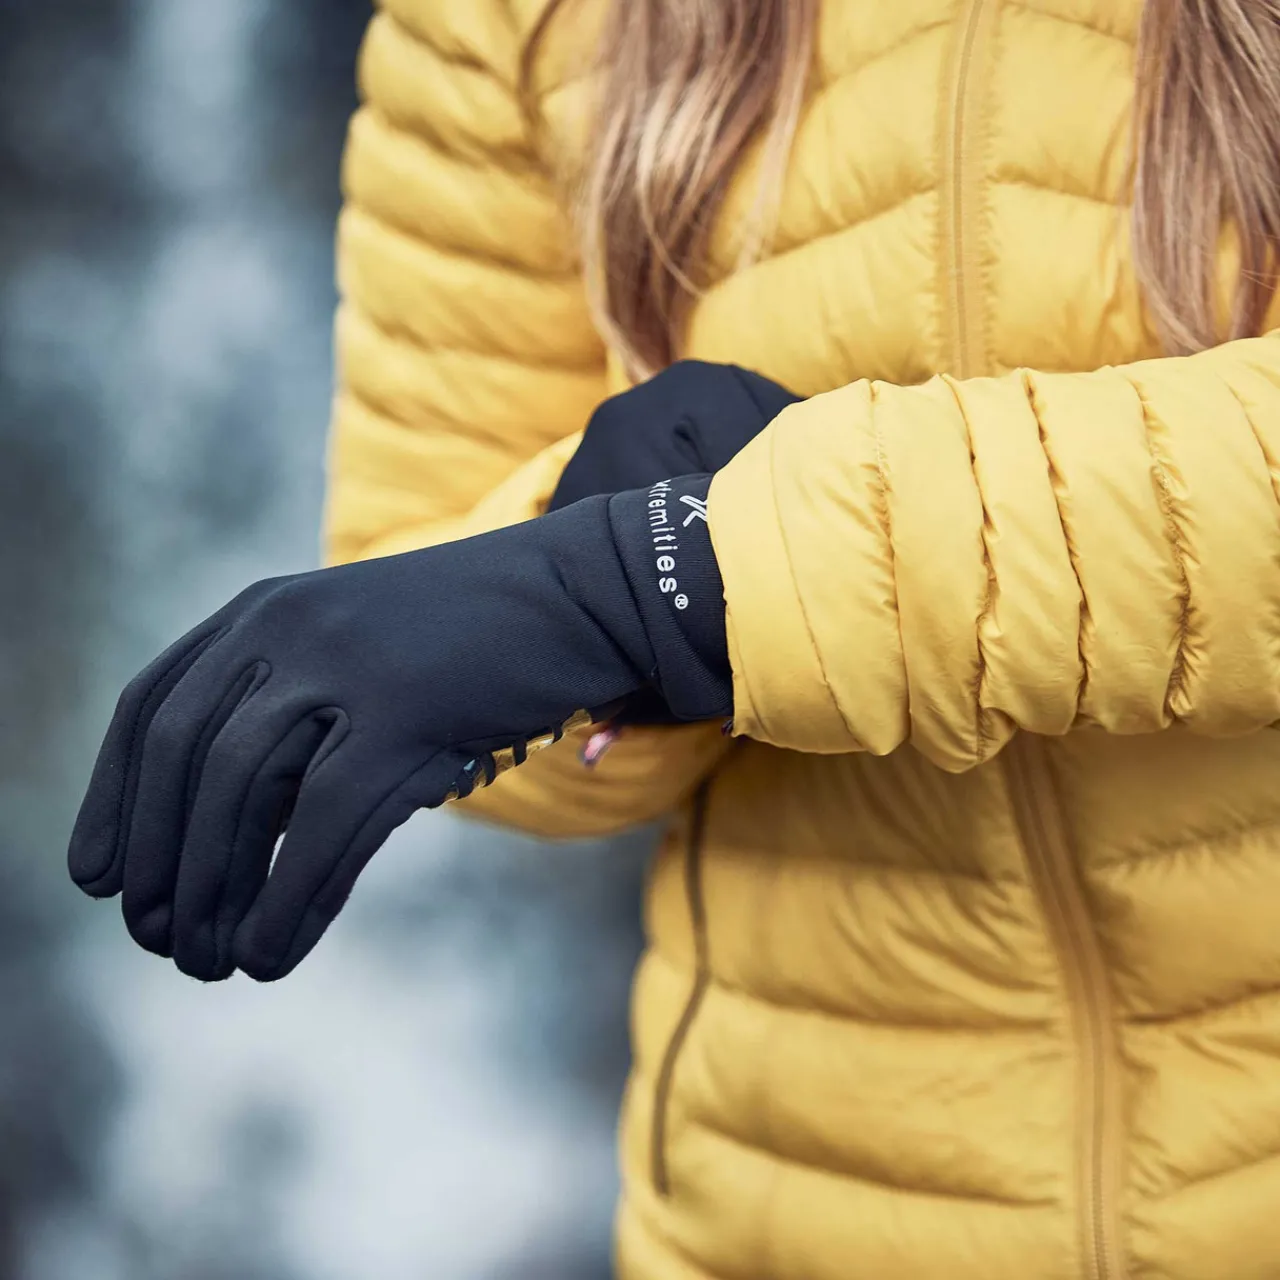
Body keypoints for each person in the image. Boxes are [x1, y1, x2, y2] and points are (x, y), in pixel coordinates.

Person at [69, 0, 1280, 1275]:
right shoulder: (507, 19)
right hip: (779, 1209)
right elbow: (441, 628)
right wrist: (583, 548)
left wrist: (692, 571)